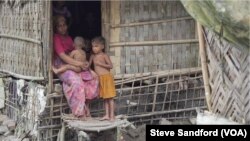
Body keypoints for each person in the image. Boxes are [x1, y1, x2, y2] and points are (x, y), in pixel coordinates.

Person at [53, 15, 98, 120]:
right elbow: (63, 56)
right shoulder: (56, 38)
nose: (63, 27)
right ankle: (79, 113)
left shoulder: (69, 39)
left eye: (64, 25)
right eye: (60, 26)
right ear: (56, 27)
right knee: (77, 82)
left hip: (73, 64)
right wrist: (78, 64)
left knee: (91, 79)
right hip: (61, 64)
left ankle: (85, 108)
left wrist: (89, 68)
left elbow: (77, 54)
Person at [89, 36, 116, 121]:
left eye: (96, 46)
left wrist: (101, 64)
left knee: (110, 97)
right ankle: (107, 115)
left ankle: (112, 115)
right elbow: (88, 66)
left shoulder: (104, 55)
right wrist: (91, 71)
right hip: (99, 78)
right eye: (93, 46)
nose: (94, 48)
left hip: (107, 78)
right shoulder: (92, 57)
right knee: (105, 98)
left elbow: (110, 66)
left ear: (102, 47)